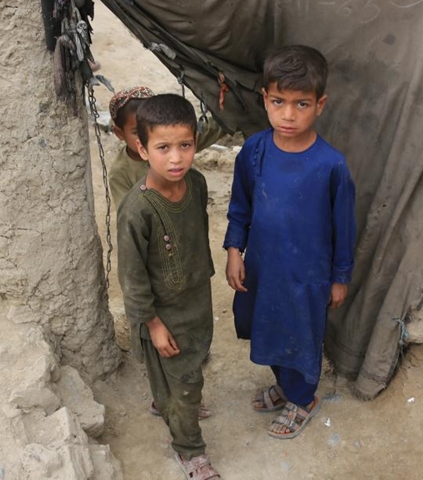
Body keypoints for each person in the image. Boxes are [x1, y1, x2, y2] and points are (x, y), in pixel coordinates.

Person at [223, 45, 356, 440]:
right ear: (264, 98)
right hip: (264, 266)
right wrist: (234, 250)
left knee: (300, 333)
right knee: (264, 325)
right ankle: (286, 385)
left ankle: (303, 398)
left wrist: (340, 277)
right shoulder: (254, 151)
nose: (288, 114)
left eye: (301, 104)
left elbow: (344, 227)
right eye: (278, 101)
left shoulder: (331, 165)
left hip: (307, 274)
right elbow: (240, 205)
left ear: (321, 105)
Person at [117, 94, 221, 479]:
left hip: (197, 301)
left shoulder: (196, 183)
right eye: (163, 148)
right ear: (142, 148)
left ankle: (171, 402)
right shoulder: (138, 210)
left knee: (189, 367)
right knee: (185, 381)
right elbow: (132, 277)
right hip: (163, 313)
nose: (176, 158)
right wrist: (152, 324)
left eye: (185, 145)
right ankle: (190, 450)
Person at [108, 86, 226, 208]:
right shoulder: (120, 172)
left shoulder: (176, 141)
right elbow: (128, 216)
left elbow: (212, 129)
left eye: (184, 145)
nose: (175, 157)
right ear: (120, 133)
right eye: (137, 132)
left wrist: (232, 112)